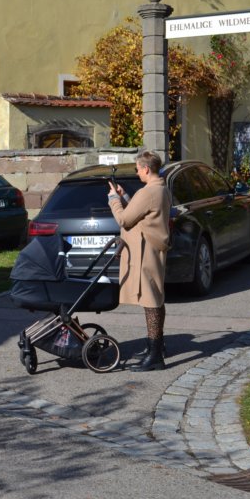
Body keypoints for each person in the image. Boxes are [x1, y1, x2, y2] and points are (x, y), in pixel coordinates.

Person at [107, 150, 172, 372]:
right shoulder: (161, 188)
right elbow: (143, 212)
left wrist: (114, 200)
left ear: (146, 168)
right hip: (153, 249)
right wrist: (125, 197)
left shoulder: (148, 192)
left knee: (151, 300)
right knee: (154, 299)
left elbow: (124, 220)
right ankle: (156, 347)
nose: (137, 173)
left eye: (137, 169)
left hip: (146, 252)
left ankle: (155, 356)